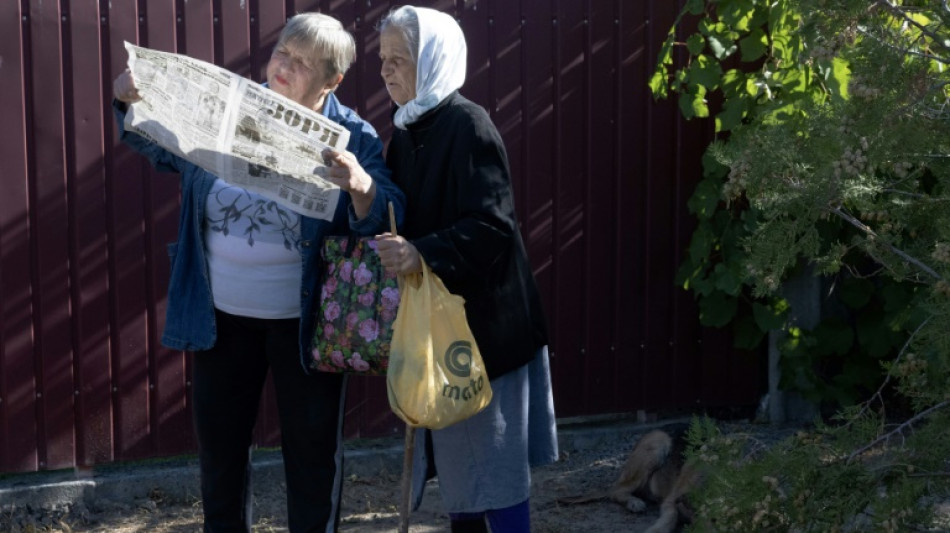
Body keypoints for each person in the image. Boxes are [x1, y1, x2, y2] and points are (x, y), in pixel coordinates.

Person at [112, 13, 406, 533]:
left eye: (304, 64)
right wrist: (128, 102)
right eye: (283, 54)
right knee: (221, 455)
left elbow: (388, 214)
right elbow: (158, 147)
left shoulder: (354, 132)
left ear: (332, 81)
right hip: (220, 317)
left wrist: (361, 186)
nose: (285, 69)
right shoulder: (229, 104)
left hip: (304, 324)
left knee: (313, 456)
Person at [373, 6, 558, 533]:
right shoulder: (407, 131)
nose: (385, 71)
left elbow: (493, 226)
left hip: (487, 331)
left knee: (493, 470)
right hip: (443, 326)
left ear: (432, 60)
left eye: (399, 60)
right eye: (382, 59)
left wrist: (422, 252)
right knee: (459, 470)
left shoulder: (467, 124)